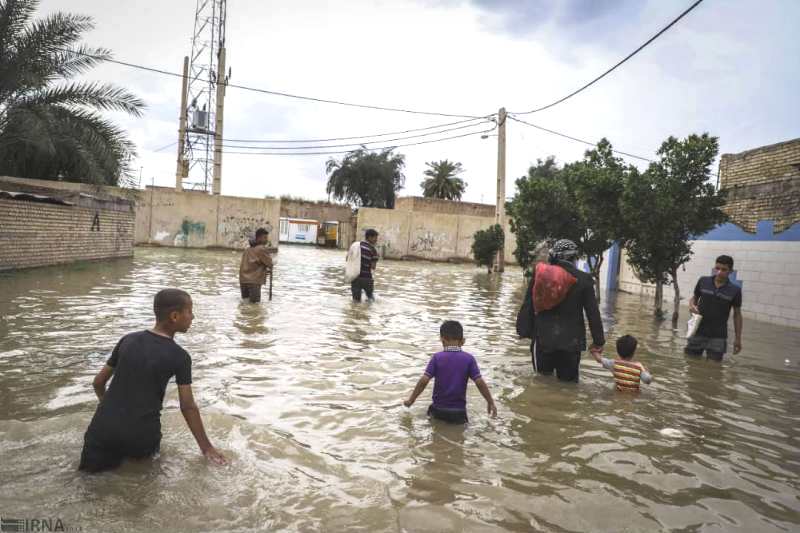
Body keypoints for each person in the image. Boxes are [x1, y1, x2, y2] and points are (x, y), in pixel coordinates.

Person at [79, 289, 226, 472]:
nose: (193, 317)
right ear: (174, 316)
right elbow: (187, 406)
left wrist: (111, 412)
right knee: (140, 492)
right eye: (189, 311)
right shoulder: (180, 357)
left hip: (101, 430)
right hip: (140, 436)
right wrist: (207, 448)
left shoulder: (128, 340)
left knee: (88, 485)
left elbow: (98, 382)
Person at [516, 239, 605, 382]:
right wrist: (598, 341)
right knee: (568, 386)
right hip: (571, 344)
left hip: (543, 341)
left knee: (541, 383)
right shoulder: (584, 280)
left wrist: (523, 329)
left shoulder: (541, 275)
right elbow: (593, 314)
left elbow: (529, 304)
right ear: (574, 257)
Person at [403, 320, 497, 423]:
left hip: (438, 410)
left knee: (434, 432)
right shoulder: (469, 359)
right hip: (459, 412)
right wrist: (490, 401)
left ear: (442, 340)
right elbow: (479, 382)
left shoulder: (437, 358)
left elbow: (424, 380)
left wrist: (411, 400)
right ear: (463, 341)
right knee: (459, 436)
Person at [685, 255, 743, 361]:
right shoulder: (703, 281)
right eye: (717, 268)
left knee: (714, 369)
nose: (719, 272)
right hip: (698, 331)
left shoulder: (735, 290)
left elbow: (737, 315)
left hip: (718, 335)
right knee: (690, 363)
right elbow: (694, 298)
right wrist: (691, 305)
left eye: (724, 269)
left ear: (731, 271)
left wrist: (738, 339)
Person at [239, 228, 273, 303]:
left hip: (243, 280)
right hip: (253, 282)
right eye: (265, 238)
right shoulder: (261, 249)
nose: (267, 240)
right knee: (255, 305)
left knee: (245, 303)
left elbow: (250, 265)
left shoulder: (247, 250)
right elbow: (270, 263)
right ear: (259, 238)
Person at [351, 229, 379, 302]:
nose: (376, 240)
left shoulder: (356, 245)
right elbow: (373, 267)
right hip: (367, 278)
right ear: (369, 237)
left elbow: (348, 259)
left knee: (355, 301)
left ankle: (355, 312)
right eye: (375, 238)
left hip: (355, 277)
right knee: (370, 300)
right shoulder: (373, 250)